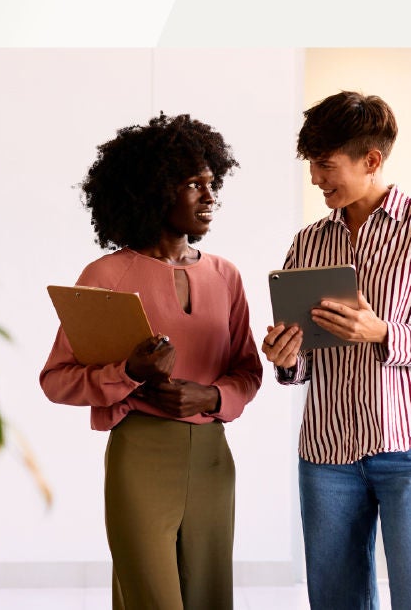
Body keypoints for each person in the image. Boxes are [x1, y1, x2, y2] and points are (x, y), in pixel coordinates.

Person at [40, 113, 263, 610]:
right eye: (192, 185)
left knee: (210, 599)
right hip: (139, 455)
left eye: (212, 184)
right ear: (153, 191)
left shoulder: (226, 275)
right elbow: (56, 380)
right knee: (149, 600)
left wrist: (212, 396)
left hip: (212, 457)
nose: (210, 197)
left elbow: (249, 370)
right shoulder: (106, 274)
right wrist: (129, 374)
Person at [261, 91, 411, 610]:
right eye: (312, 163)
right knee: (335, 601)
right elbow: (304, 361)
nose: (314, 177)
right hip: (328, 453)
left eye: (325, 164)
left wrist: (382, 332)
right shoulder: (307, 243)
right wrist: (287, 359)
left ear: (371, 160)